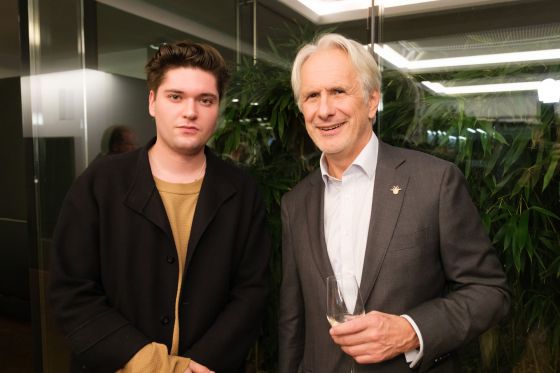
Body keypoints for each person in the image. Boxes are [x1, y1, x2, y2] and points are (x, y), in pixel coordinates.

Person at [278, 33, 510, 372]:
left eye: (338, 91)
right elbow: (292, 321)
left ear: (372, 101)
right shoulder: (294, 203)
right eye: (312, 96)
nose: (325, 110)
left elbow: (490, 292)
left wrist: (411, 330)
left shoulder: (434, 182)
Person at [49, 41, 270, 373]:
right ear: (152, 102)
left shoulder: (242, 191)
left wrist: (199, 365)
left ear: (217, 108)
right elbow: (72, 291)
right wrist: (157, 366)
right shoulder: (100, 183)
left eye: (205, 100)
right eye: (175, 96)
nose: (190, 111)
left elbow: (252, 293)